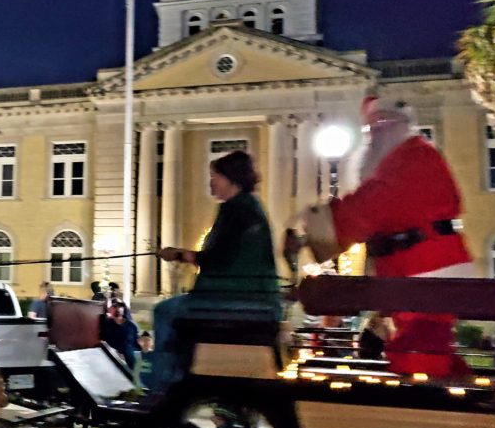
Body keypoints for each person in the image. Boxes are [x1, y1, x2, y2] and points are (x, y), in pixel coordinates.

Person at [295, 95, 473, 378]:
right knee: (424, 343)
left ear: (403, 125)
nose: (378, 131)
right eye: (372, 127)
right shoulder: (405, 159)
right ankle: (453, 395)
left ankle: (425, 409)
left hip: (427, 268)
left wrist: (316, 226)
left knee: (419, 349)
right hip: (417, 268)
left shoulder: (413, 160)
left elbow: (371, 206)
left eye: (385, 123)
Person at [151, 150, 281, 389]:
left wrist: (178, 254)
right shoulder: (250, 207)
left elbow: (217, 258)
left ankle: (165, 386)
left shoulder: (236, 209)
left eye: (215, 176)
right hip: (252, 297)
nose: (211, 182)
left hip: (234, 299)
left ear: (232, 178)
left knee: (165, 312)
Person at [101, 301, 139, 369]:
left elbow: (136, 343)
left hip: (129, 355)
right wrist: (116, 353)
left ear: (123, 310)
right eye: (115, 307)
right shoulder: (108, 324)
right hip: (113, 355)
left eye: (119, 307)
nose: (117, 309)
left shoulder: (131, 326)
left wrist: (126, 353)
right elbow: (105, 341)